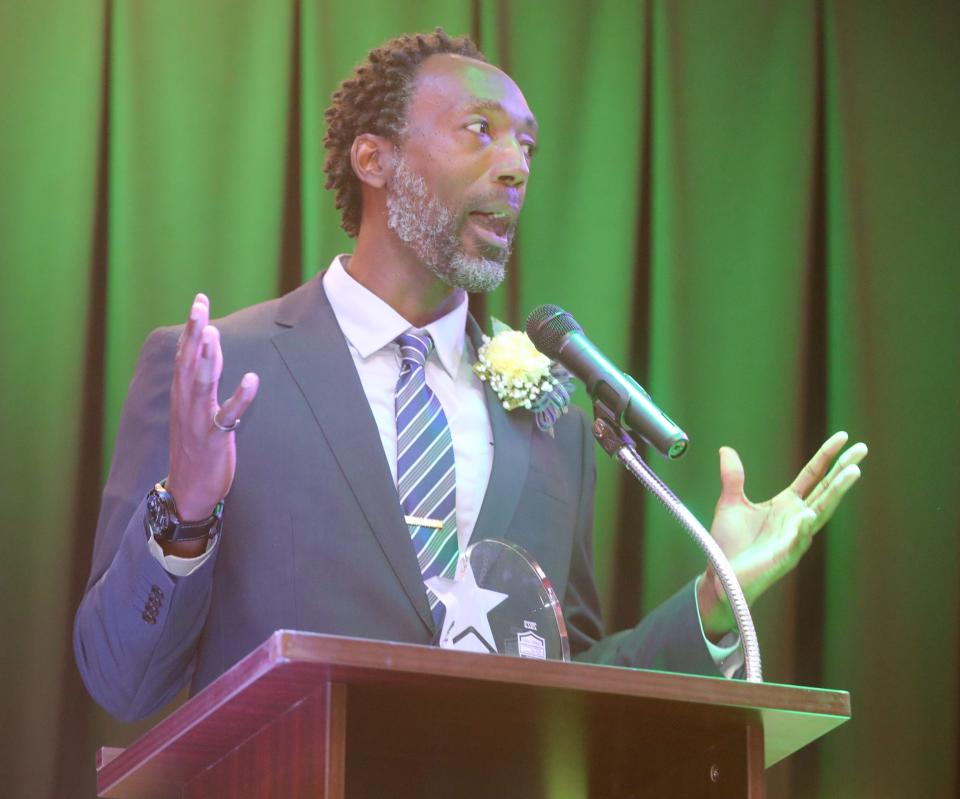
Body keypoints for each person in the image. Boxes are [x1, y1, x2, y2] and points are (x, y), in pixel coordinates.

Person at [74, 30, 867, 723]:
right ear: (375, 157)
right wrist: (185, 514)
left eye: (527, 144)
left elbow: (567, 681)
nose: (516, 165)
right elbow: (122, 681)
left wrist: (713, 597)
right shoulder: (219, 371)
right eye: (480, 131)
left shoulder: (551, 414)